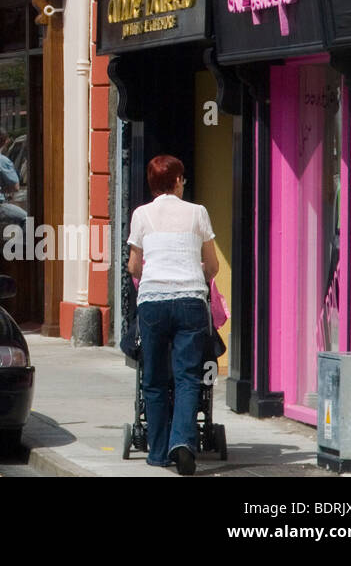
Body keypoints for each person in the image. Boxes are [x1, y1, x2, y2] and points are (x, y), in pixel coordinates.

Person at [126, 154, 219, 475]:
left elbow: (134, 266)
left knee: (153, 379)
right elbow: (214, 265)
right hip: (191, 300)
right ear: (177, 181)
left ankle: (158, 453)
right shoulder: (198, 213)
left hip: (153, 302)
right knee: (187, 376)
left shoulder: (141, 215)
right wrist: (193, 266)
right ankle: (183, 441)